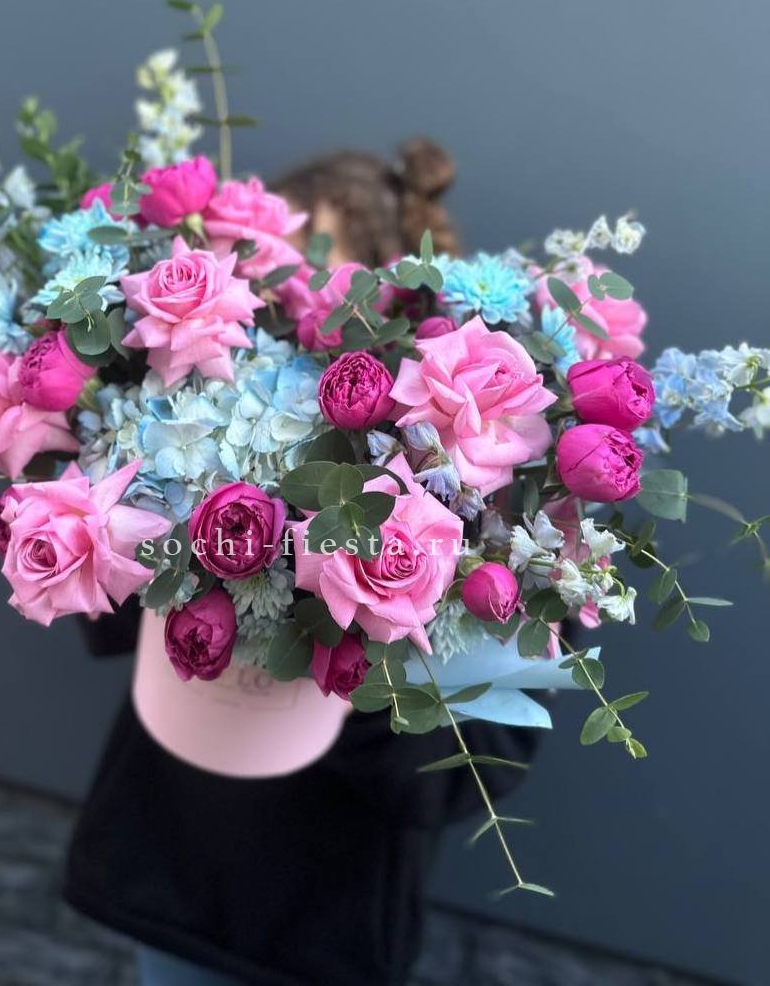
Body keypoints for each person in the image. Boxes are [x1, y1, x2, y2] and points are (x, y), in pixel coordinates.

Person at [63, 138, 537, 986]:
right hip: (163, 873)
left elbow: (473, 768)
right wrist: (132, 530)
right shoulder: (187, 414)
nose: (284, 315)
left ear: (392, 314)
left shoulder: (486, 505)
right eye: (267, 284)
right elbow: (105, 635)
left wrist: (350, 657)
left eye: (314, 285)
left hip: (322, 929)